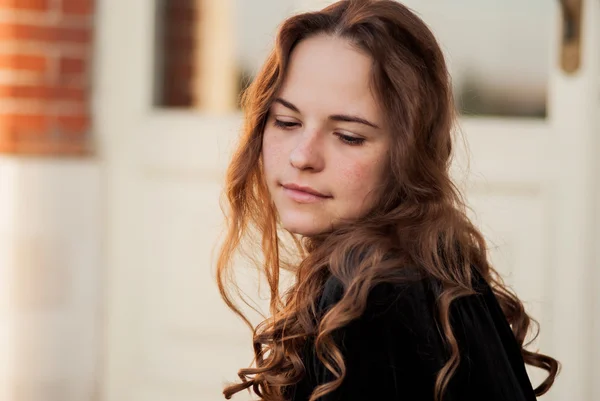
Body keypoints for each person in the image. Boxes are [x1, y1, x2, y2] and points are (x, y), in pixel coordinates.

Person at [215, 1, 559, 400]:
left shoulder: (369, 296)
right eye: (287, 122)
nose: (302, 156)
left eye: (349, 136)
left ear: (409, 155)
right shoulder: (434, 264)